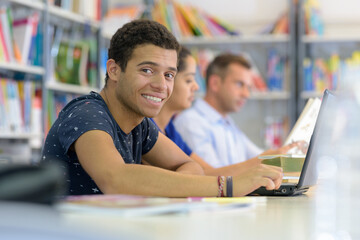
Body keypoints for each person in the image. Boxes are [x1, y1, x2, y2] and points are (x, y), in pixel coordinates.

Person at [41, 19, 283, 197]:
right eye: (147, 70)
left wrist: (168, 185)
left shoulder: (141, 125)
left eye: (169, 75)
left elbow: (191, 167)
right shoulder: (86, 113)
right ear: (114, 70)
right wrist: (226, 186)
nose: (160, 85)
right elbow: (116, 179)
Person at [152, 47, 298, 176]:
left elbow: (204, 172)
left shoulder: (172, 128)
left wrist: (278, 157)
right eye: (189, 80)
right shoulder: (188, 122)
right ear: (215, 83)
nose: (246, 94)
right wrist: (264, 162)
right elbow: (210, 177)